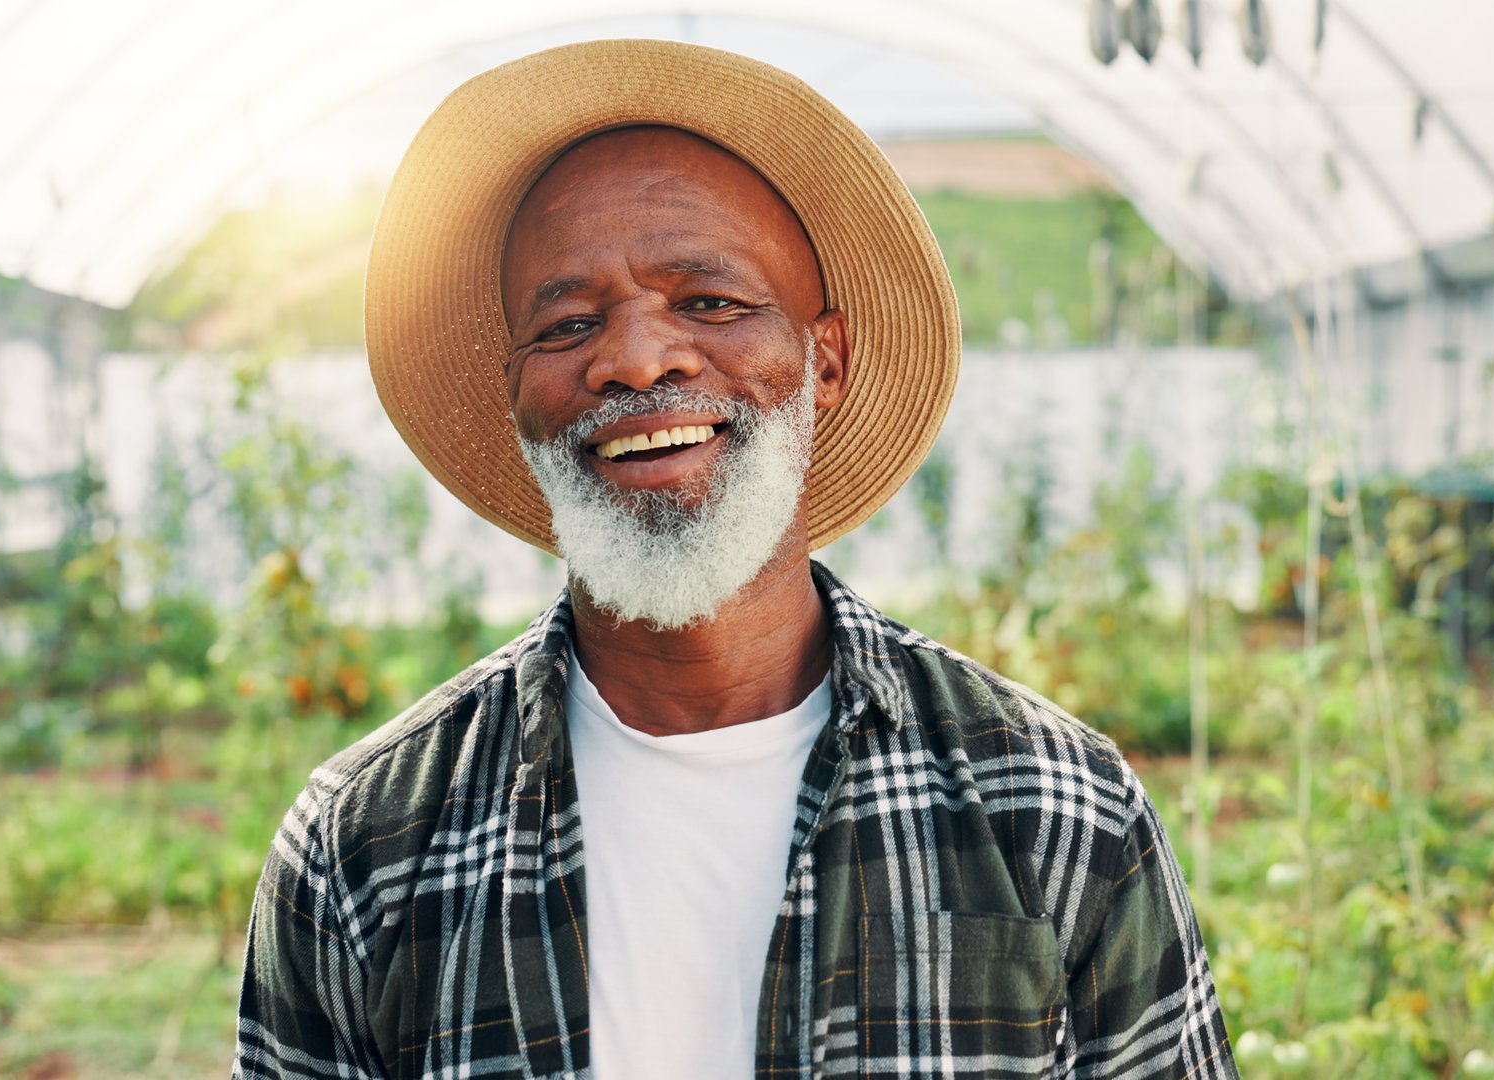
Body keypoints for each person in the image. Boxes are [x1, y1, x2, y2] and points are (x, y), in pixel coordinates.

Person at [233, 38, 1236, 1080]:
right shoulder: (367, 848)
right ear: (515, 399)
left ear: (826, 361)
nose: (635, 359)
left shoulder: (1051, 809)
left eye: (710, 302)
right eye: (570, 323)